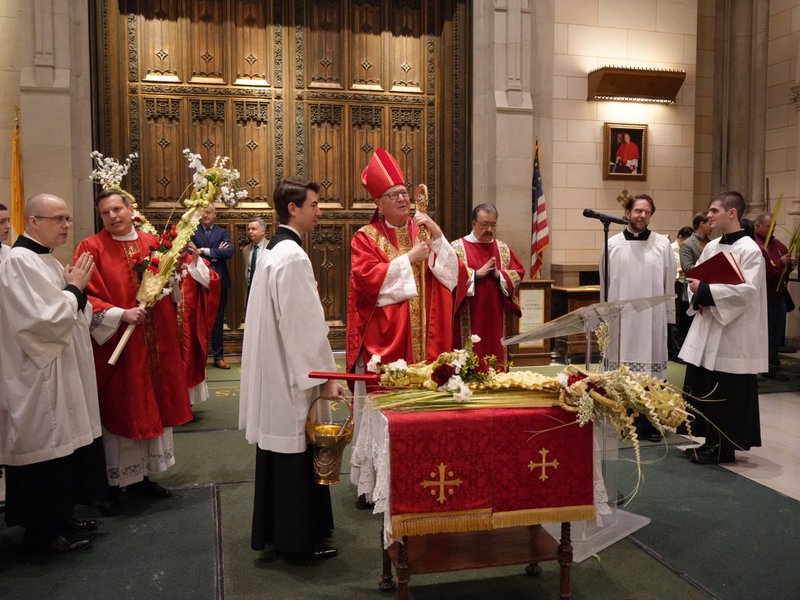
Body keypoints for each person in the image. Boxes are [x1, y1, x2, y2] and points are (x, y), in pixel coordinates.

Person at [239, 176, 344, 560]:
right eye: (314, 205)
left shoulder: (272, 251)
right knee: (296, 455)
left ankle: (283, 535)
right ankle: (298, 542)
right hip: (292, 376)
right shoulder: (292, 256)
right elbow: (303, 327)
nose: (320, 212)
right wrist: (324, 379)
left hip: (279, 370)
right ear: (293, 209)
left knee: (282, 455)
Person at [0, 193, 106, 552]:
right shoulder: (19, 262)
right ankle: (41, 533)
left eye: (67, 218)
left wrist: (76, 292)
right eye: (57, 219)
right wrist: (75, 289)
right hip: (36, 376)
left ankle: (61, 517)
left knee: (64, 447)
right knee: (44, 447)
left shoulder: (44, 259)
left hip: (60, 369)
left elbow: (73, 310)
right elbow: (40, 321)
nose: (66, 225)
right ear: (33, 221)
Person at [76, 190, 192, 501]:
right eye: (105, 213)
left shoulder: (153, 244)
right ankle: (115, 484)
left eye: (117, 209)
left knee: (154, 403)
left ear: (130, 210)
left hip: (155, 343)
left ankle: (141, 478)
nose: (112, 216)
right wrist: (120, 313)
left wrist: (170, 281)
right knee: (123, 407)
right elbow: (83, 296)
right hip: (120, 345)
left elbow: (169, 286)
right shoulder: (91, 248)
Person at [680, 191, 767, 465]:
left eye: (715, 210)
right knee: (705, 385)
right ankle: (709, 442)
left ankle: (723, 449)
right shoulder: (712, 246)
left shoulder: (750, 250)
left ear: (732, 213)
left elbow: (747, 291)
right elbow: (700, 280)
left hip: (733, 332)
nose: (709, 215)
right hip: (710, 325)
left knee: (727, 391)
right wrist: (699, 292)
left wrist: (705, 290)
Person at [599, 194, 676, 443]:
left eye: (647, 212)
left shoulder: (662, 245)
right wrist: (605, 316)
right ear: (627, 213)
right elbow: (605, 284)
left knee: (650, 372)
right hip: (622, 321)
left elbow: (668, 285)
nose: (642, 216)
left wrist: (668, 318)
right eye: (638, 211)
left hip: (651, 321)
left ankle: (651, 423)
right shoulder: (612, 245)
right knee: (622, 370)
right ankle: (625, 419)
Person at [451, 203, 524, 366]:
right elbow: (449, 278)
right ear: (473, 224)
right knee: (470, 359)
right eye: (484, 225)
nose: (489, 229)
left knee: (495, 358)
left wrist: (500, 275)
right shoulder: (457, 248)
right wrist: (476, 274)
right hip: (469, 314)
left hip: (496, 315)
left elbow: (518, 273)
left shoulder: (503, 249)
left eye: (493, 225)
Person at [753, 212, 797, 380]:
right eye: (768, 226)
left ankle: (772, 365)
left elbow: (781, 274)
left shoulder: (779, 245)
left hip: (778, 297)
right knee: (759, 335)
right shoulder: (754, 245)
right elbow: (764, 272)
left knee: (775, 334)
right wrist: (779, 263)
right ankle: (757, 365)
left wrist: (790, 266)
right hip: (761, 298)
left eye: (774, 226)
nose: (772, 229)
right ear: (757, 226)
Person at [190, 203, 233, 369]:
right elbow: (188, 252)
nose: (205, 215)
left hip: (220, 281)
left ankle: (218, 356)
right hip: (197, 280)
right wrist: (215, 252)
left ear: (215, 215)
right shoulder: (193, 231)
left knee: (218, 319)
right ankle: (198, 358)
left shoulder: (221, 232)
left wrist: (202, 251)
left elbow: (228, 252)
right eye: (203, 212)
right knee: (197, 318)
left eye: (209, 212)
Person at [178, 251, 221, 405]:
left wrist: (196, 263)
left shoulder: (195, 260)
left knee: (190, 354)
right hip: (169, 319)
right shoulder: (164, 259)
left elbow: (211, 282)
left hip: (190, 319)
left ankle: (187, 400)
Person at [678, 213, 712, 346]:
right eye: (708, 223)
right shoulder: (687, 244)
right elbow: (687, 268)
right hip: (691, 288)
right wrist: (711, 269)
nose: (711, 226)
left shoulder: (712, 242)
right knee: (689, 325)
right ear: (701, 224)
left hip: (708, 288)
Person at [669, 225, 694, 360]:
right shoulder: (671, 249)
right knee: (676, 318)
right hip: (677, 285)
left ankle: (684, 351)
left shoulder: (686, 248)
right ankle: (676, 352)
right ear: (680, 237)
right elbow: (679, 268)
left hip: (687, 285)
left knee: (685, 318)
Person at [242, 217, 268, 299]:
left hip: (265, 289)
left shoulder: (271, 247)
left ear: (263, 231)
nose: (250, 232)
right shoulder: (246, 250)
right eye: (249, 229)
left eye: (253, 229)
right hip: (250, 289)